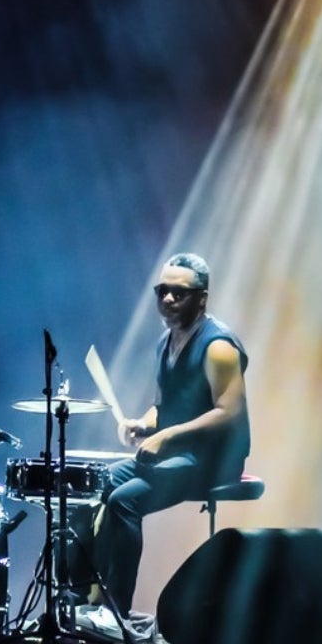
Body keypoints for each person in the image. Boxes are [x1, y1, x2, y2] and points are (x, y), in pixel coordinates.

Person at [93, 252, 251, 620]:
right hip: (180, 455)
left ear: (202, 297)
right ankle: (94, 600)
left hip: (213, 460)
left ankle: (118, 609)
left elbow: (230, 413)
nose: (167, 299)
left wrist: (166, 438)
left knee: (125, 502)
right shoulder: (166, 342)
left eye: (178, 293)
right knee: (103, 486)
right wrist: (143, 424)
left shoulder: (218, 347)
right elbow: (165, 408)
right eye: (162, 291)